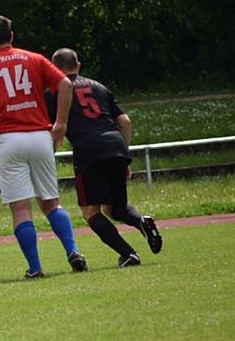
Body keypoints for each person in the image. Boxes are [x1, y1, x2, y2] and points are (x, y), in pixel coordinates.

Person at [0, 14, 87, 279]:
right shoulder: (34, 58)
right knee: (51, 202)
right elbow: (64, 84)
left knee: (21, 208)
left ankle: (36, 268)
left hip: (6, 140)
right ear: (12, 36)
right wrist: (60, 123)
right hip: (39, 135)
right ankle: (73, 250)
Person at [48, 48, 163, 267]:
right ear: (78, 65)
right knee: (116, 208)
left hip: (89, 151)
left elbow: (52, 126)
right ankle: (141, 221)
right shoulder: (99, 86)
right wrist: (124, 154)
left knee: (91, 212)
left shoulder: (57, 91)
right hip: (116, 146)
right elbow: (125, 122)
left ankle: (128, 254)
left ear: (54, 68)